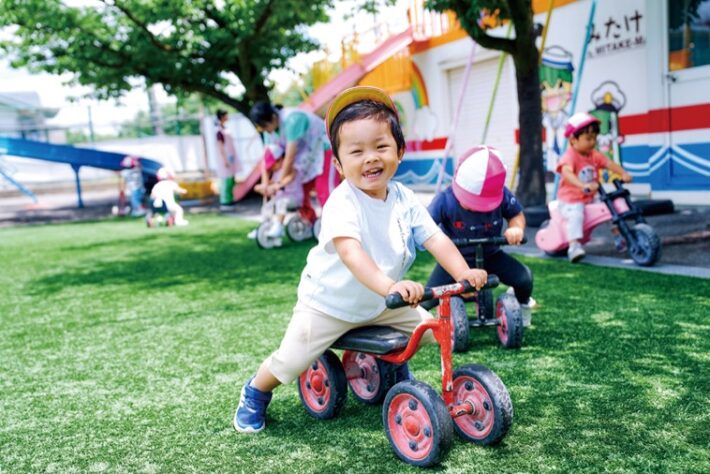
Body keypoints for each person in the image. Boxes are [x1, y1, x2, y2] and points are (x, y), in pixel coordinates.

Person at [233, 86, 488, 434]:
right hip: (329, 304)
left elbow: (436, 238)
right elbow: (352, 255)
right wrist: (392, 285)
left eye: (381, 147)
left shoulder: (405, 198)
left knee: (431, 331)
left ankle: (393, 370)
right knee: (291, 361)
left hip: (383, 301)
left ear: (399, 152)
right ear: (338, 164)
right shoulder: (343, 202)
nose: (370, 158)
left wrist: (463, 271)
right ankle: (255, 392)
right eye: (357, 152)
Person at [423, 146, 534, 326]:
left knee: (524, 278)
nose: (474, 208)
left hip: (491, 255)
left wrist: (516, 228)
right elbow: (425, 226)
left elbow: (516, 214)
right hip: (455, 259)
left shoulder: (502, 194)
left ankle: (523, 307)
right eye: (469, 201)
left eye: (481, 204)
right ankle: (418, 325)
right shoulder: (445, 200)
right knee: (427, 299)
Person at [557, 112, 632, 262]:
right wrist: (582, 185)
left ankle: (619, 236)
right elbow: (567, 173)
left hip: (590, 196)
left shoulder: (593, 154)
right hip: (571, 200)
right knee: (576, 215)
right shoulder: (569, 156)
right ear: (573, 140)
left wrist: (623, 173)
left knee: (611, 207)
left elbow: (608, 164)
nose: (593, 142)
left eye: (594, 138)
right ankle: (574, 246)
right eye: (588, 139)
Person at [249, 101, 327, 238]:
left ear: (273, 117)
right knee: (303, 190)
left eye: (266, 126)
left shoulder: (292, 119)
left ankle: (335, 225)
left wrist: (278, 184)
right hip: (305, 157)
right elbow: (267, 158)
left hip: (323, 148)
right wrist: (266, 184)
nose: (266, 130)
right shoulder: (270, 130)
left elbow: (290, 157)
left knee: (324, 188)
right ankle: (310, 221)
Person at [247, 144, 304, 244]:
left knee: (281, 202)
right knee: (267, 206)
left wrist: (277, 185)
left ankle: (278, 226)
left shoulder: (292, 168)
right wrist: (263, 187)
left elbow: (289, 178)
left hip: (294, 198)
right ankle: (265, 226)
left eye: (274, 164)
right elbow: (271, 184)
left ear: (281, 159)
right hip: (280, 199)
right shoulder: (277, 172)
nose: (272, 168)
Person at [215, 109, 240, 208]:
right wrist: (224, 160)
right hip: (225, 159)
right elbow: (220, 146)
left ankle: (230, 199)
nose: (228, 117)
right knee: (226, 180)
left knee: (231, 180)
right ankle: (225, 201)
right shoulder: (218, 131)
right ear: (222, 116)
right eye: (226, 115)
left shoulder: (224, 128)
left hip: (230, 157)